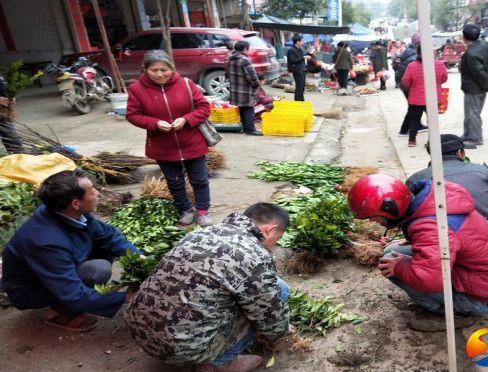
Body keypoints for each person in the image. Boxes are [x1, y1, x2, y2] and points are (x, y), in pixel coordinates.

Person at [124, 203, 291, 371]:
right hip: (183, 349)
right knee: (279, 290)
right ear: (270, 229)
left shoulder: (199, 233)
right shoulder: (256, 256)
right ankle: (221, 363)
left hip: (138, 329)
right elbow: (269, 314)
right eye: (278, 237)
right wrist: (279, 331)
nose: (275, 244)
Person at [348, 174, 488, 331]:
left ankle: (453, 315)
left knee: (389, 262)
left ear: (390, 208)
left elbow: (429, 280)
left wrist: (400, 268)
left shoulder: (431, 228)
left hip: (482, 297)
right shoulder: (434, 202)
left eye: (372, 216)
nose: (371, 221)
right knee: (393, 251)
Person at [0, 170, 138, 332]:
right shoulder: (46, 242)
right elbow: (74, 294)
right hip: (31, 290)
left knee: (110, 243)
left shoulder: (65, 212)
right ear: (76, 203)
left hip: (53, 269)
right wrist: (126, 297)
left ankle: (83, 295)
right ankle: (59, 313)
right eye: (92, 190)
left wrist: (139, 261)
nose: (97, 192)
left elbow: (109, 235)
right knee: (97, 270)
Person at [126, 50, 213, 227]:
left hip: (192, 141)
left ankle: (203, 211)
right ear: (145, 70)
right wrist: (155, 123)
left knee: (199, 180)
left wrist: (186, 119)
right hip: (162, 144)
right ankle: (186, 210)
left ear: (172, 68)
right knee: (174, 182)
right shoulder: (137, 89)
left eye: (164, 70)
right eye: (154, 70)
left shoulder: (186, 84)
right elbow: (133, 115)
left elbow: (204, 107)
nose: (159, 74)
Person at [406, 134, 488, 242]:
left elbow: (410, 218)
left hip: (448, 244)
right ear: (460, 153)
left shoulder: (416, 180)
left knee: (392, 251)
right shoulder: (482, 171)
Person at [460, 23, 488, 149]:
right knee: (470, 111)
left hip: (474, 87)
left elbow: (478, 73)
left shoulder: (470, 53)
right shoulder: (485, 46)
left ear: (464, 37)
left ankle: (475, 138)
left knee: (473, 112)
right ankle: (467, 134)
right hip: (481, 86)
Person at [400, 44, 448, 147]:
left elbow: (406, 82)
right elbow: (444, 78)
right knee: (432, 120)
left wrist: (414, 85)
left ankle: (412, 140)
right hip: (434, 97)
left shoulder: (411, 66)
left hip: (416, 97)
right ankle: (432, 141)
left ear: (418, 53)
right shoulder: (440, 64)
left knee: (414, 120)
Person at [227, 41, 262, 136]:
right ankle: (250, 130)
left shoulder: (230, 58)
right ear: (245, 49)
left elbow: (227, 73)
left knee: (241, 108)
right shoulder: (244, 60)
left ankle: (245, 127)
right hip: (245, 89)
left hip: (235, 88)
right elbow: (251, 75)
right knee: (249, 108)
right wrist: (256, 84)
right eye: (248, 49)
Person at [0, 71, 24, 154]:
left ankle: (18, 158)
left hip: (3, 112)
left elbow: (4, 88)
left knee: (12, 139)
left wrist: (11, 98)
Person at [287, 34, 307, 101]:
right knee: (299, 87)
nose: (303, 42)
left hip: (302, 70)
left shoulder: (300, 49)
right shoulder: (291, 50)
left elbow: (301, 59)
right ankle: (297, 102)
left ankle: (301, 101)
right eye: (302, 41)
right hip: (297, 71)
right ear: (297, 42)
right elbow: (292, 61)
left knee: (302, 88)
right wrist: (303, 58)